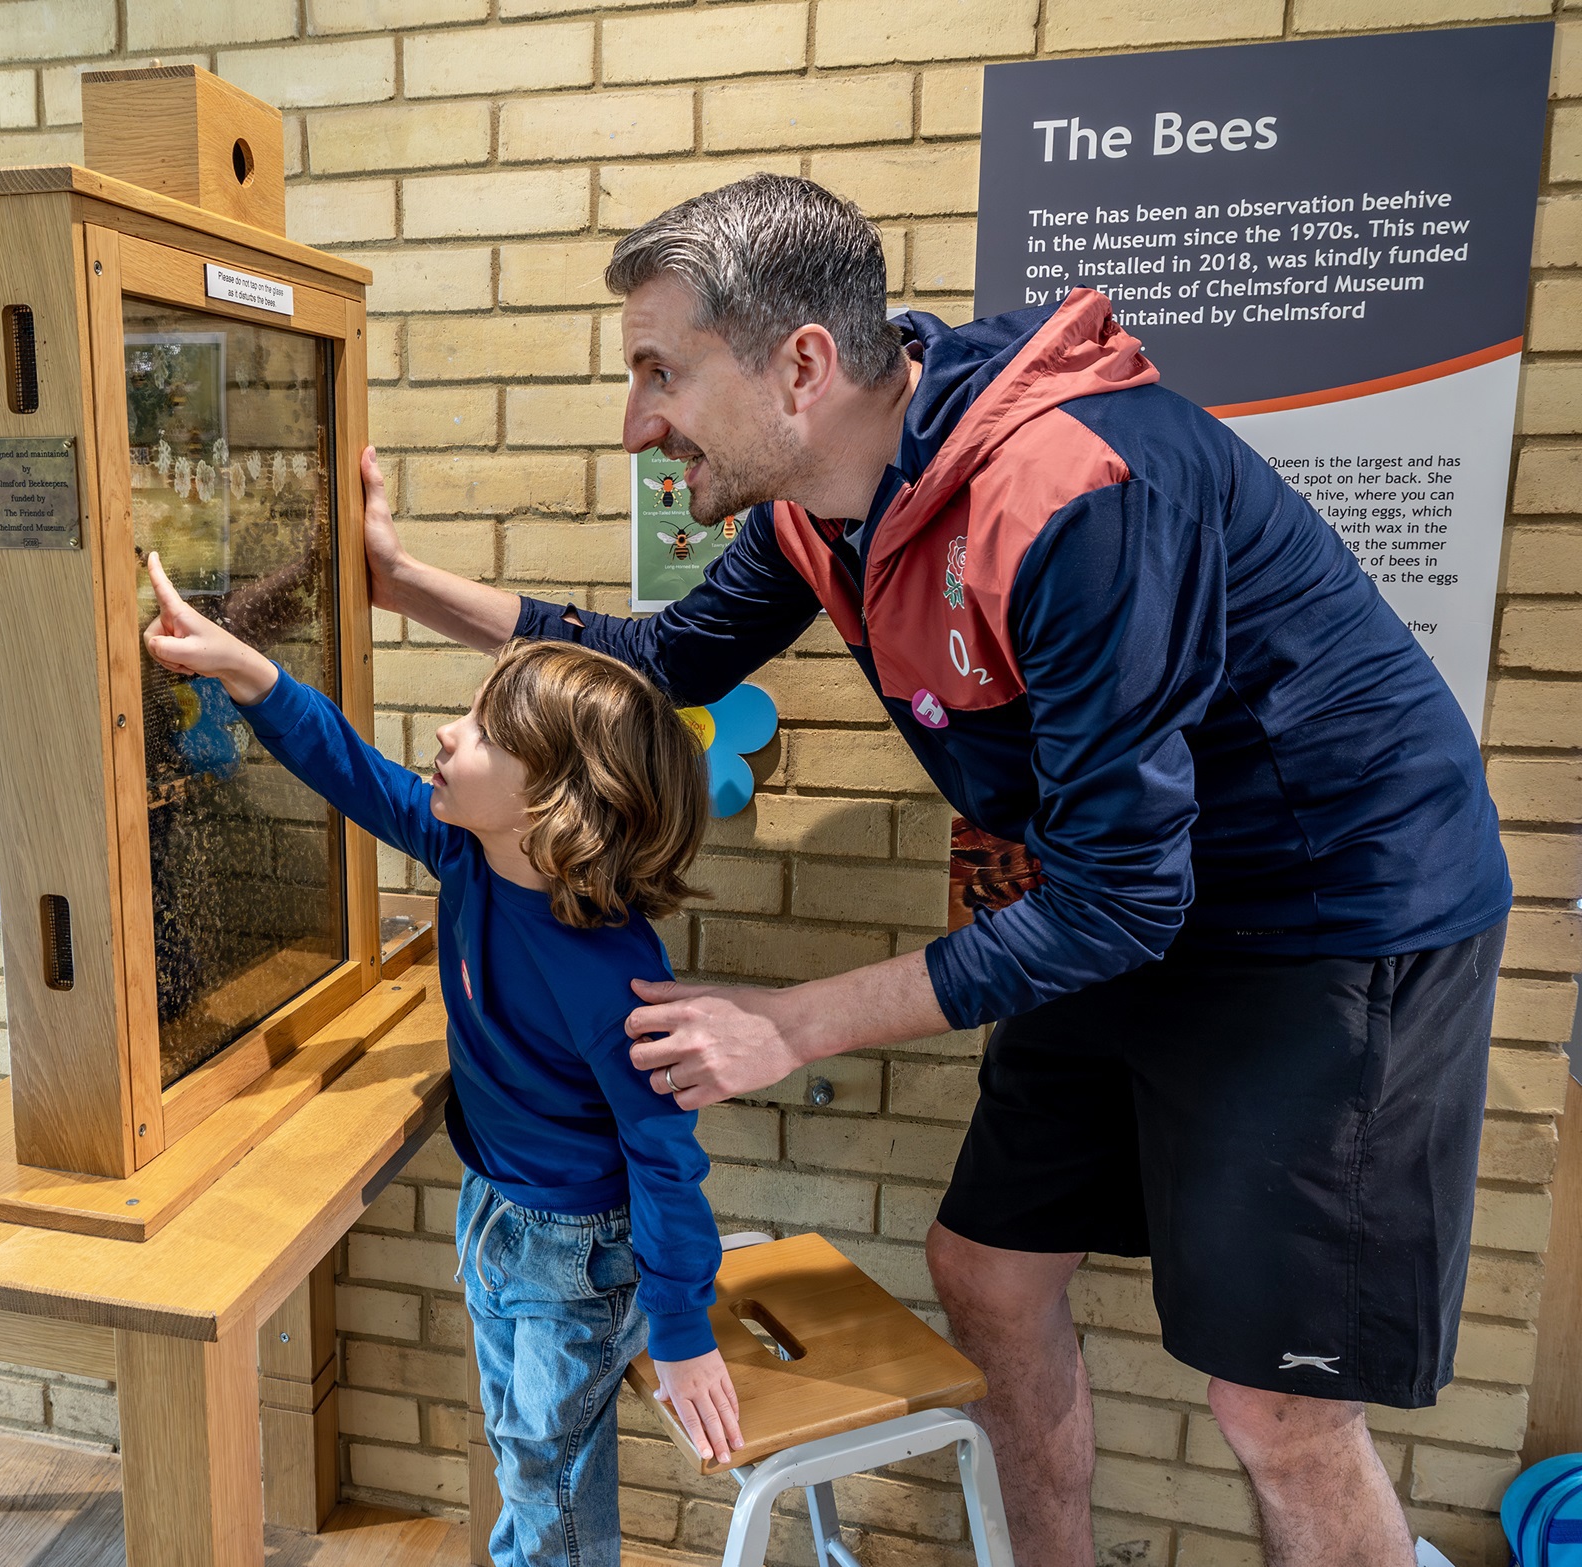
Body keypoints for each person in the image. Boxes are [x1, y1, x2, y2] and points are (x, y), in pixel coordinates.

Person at [354, 173, 1511, 1567]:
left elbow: (1123, 892)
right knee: (990, 1270)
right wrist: (403, 580)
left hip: (1326, 911)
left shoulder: (1069, 489)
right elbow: (655, 661)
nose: (636, 421)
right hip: (1111, 898)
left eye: (660, 371)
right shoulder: (820, 498)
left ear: (801, 366)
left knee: (1276, 1402)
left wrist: (789, 1020)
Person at [139, 554, 742, 1567]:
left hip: (575, 1252)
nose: (444, 734)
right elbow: (348, 767)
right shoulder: (464, 846)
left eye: (480, 732)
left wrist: (681, 1329)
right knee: (522, 1455)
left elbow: (663, 1154)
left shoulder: (611, 968)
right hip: (496, 1213)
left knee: (544, 1481)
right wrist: (245, 672)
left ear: (553, 798)